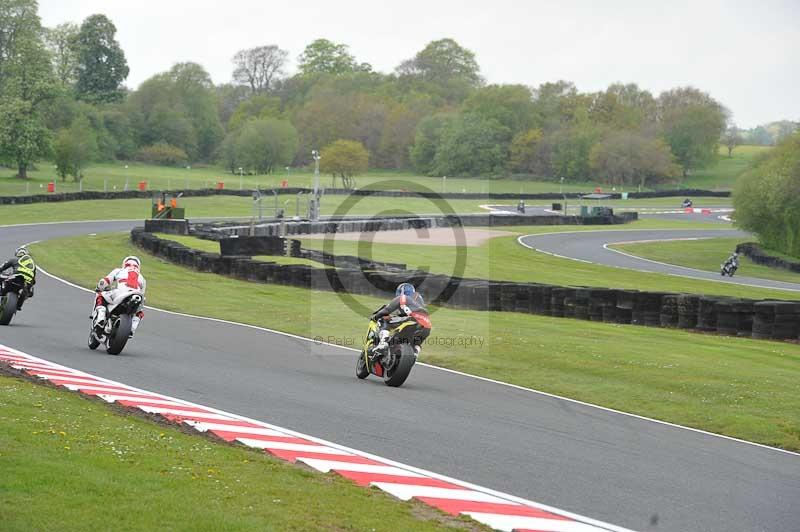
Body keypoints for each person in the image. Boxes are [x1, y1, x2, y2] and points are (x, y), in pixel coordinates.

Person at [370, 282, 431, 356]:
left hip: (412, 320)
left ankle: (383, 343)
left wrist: (376, 316)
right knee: (416, 343)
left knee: (383, 319)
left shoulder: (402, 298)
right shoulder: (419, 303)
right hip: (427, 326)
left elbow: (387, 310)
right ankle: (415, 352)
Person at [92, 256, 146, 338]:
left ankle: (101, 318)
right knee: (140, 312)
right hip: (137, 296)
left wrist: (99, 288)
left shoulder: (119, 270)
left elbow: (104, 282)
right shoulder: (142, 278)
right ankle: (132, 328)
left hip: (121, 293)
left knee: (101, 296)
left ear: (124, 264)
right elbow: (142, 294)